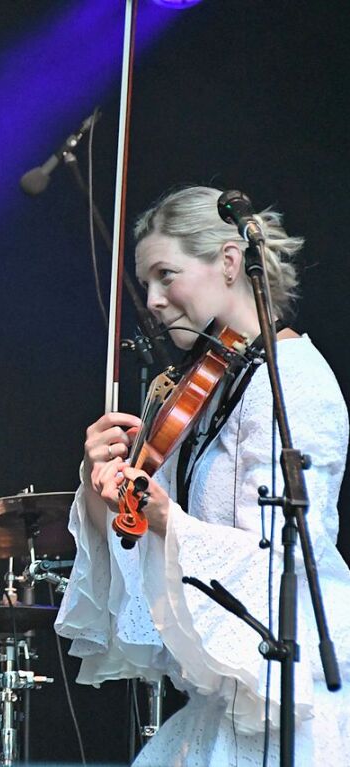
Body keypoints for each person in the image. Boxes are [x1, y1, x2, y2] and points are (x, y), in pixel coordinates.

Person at [55, 185, 350, 764]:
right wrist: (102, 488)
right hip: (224, 704)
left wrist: (171, 521)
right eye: (146, 284)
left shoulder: (297, 384)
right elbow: (136, 540)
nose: (154, 300)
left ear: (230, 262)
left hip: (292, 697)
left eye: (166, 275)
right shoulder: (207, 387)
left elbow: (289, 562)